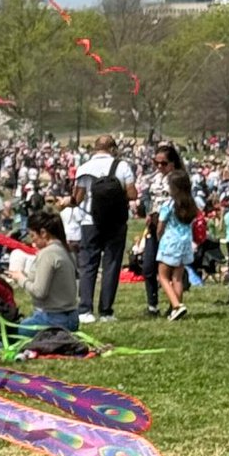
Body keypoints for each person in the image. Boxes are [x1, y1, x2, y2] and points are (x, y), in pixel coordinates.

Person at [71, 135, 137, 324]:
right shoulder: (122, 166)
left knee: (88, 265)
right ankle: (106, 311)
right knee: (112, 265)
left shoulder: (84, 168)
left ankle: (85, 309)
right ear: (113, 148)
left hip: (89, 221)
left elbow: (78, 198)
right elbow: (132, 194)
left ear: (95, 147)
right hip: (115, 221)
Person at [9, 210, 79, 333]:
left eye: (33, 236)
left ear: (43, 233)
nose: (32, 241)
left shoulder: (48, 254)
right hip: (71, 317)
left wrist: (20, 278)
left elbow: (39, 292)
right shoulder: (65, 250)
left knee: (11, 332)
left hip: (54, 319)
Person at [141, 143, 185, 317]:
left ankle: (175, 306)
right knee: (148, 266)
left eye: (164, 163)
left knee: (172, 269)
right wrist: (148, 212)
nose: (159, 167)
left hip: (171, 226)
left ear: (172, 163)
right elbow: (150, 199)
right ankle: (152, 304)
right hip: (154, 223)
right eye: (156, 162)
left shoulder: (179, 179)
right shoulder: (154, 178)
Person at [156, 169, 199, 321]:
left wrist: (158, 236)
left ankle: (176, 305)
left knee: (162, 276)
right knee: (178, 278)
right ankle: (177, 306)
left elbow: (161, 224)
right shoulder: (192, 204)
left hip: (170, 241)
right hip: (185, 242)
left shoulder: (169, 204)